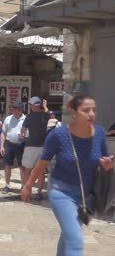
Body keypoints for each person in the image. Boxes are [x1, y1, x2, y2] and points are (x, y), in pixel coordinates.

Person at [22, 94, 113, 255]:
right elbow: (42, 163)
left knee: (69, 234)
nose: (91, 114)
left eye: (93, 110)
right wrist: (28, 186)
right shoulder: (59, 135)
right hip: (61, 192)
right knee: (75, 239)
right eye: (86, 110)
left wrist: (107, 164)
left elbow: (102, 161)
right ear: (75, 112)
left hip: (85, 196)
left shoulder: (99, 133)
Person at [21, 96, 49, 201]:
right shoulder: (46, 115)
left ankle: (28, 190)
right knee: (40, 171)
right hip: (42, 146)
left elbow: (23, 131)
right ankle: (39, 193)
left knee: (27, 169)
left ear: (33, 106)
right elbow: (50, 114)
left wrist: (22, 135)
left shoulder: (29, 116)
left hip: (31, 146)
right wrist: (45, 106)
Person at [0, 100, 27, 194]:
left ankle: (23, 186)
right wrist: (1, 146)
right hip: (9, 144)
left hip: (21, 145)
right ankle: (7, 185)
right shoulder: (8, 119)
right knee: (7, 165)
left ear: (20, 110)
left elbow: (29, 134)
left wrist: (25, 136)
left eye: (15, 109)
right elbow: (3, 133)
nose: (13, 110)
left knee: (22, 167)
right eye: (13, 109)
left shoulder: (26, 119)